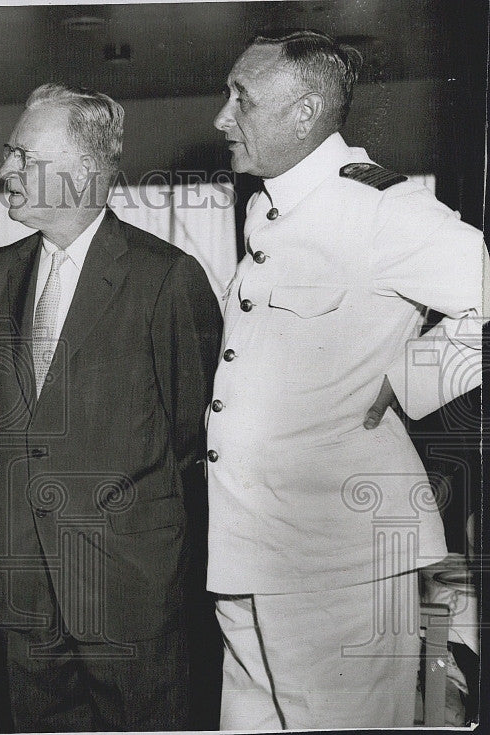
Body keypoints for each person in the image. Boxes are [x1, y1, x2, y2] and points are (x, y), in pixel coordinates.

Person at [208, 30, 485, 729]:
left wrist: (410, 377)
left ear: (304, 113)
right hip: (250, 553)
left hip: (338, 563)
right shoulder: (267, 207)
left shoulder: (379, 209)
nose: (221, 117)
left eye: (241, 98)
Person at [0, 83, 222, 732]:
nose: (6, 172)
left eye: (26, 158)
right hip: (24, 581)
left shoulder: (165, 277)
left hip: (127, 587)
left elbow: (193, 440)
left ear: (84, 173)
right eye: (9, 154)